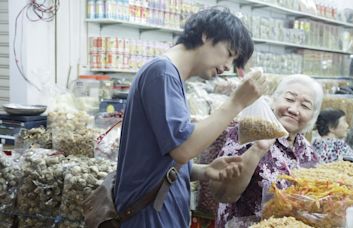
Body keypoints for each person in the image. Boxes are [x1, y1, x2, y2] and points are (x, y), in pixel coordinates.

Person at [114, 7, 269, 227]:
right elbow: (183, 148)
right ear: (206, 35)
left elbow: (161, 159)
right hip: (149, 216)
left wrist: (205, 171)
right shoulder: (162, 72)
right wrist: (237, 102)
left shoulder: (171, 76)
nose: (227, 67)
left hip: (161, 212)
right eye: (229, 53)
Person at [210, 74, 324, 227]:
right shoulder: (249, 131)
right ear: (275, 100)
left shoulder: (306, 149)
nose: (294, 109)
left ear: (312, 116)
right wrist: (257, 149)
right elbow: (223, 194)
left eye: (305, 106)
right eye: (289, 99)